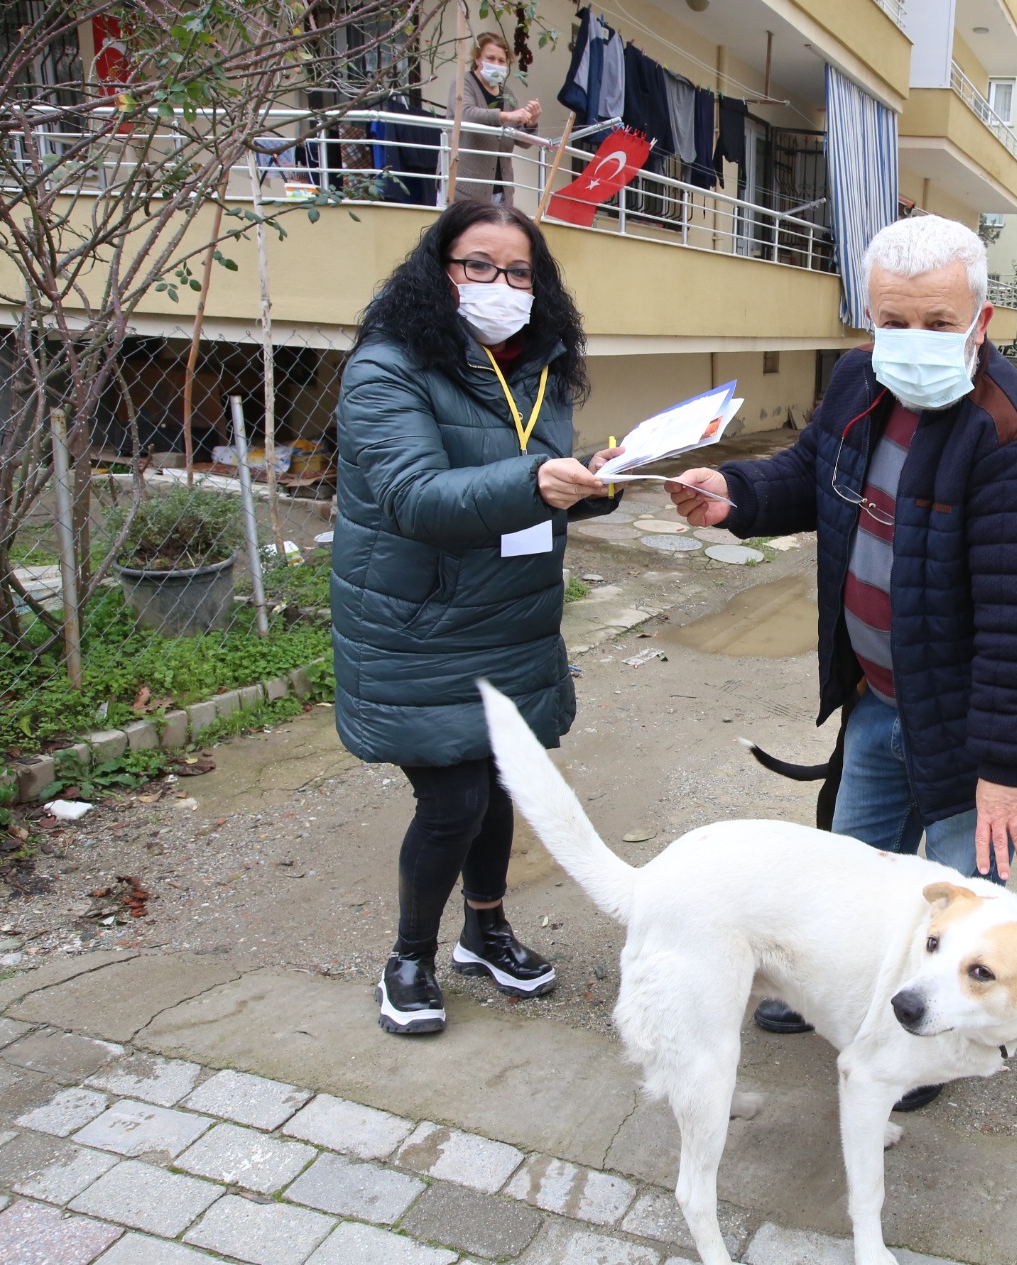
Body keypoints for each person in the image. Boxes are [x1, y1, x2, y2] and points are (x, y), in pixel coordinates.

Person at [667, 215, 1017, 1108]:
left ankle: (929, 1046)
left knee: (965, 911)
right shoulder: (861, 381)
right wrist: (733, 495)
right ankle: (841, 996)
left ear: (983, 320)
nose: (914, 340)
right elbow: (813, 473)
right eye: (896, 319)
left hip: (975, 726)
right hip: (881, 695)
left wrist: (1006, 772)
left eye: (939, 322)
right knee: (852, 879)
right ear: (868, 318)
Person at [332, 200, 623, 1035]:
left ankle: (486, 930)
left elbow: (539, 490)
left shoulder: (540, 366)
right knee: (454, 796)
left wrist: (593, 479)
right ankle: (409, 957)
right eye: (478, 265)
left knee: (502, 781)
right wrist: (539, 481)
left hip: (511, 621)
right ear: (439, 269)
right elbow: (415, 498)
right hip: (419, 622)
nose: (502, 284)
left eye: (521, 270)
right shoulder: (387, 367)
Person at [450, 32, 541, 204]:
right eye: (490, 58)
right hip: (467, 189)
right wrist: (506, 116)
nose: (496, 64)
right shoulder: (463, 83)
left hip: (501, 191)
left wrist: (531, 122)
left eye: (501, 60)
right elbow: (466, 114)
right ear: (477, 59)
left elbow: (523, 141)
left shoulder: (507, 94)